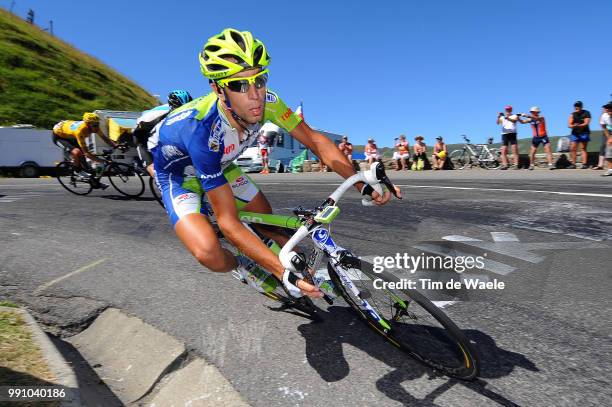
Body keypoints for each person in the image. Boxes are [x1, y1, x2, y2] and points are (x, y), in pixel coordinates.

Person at [153, 28, 399, 299]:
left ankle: (296, 269)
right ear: (217, 88)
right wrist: (280, 272)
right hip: (181, 177)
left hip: (222, 166)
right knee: (208, 253)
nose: (255, 94)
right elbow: (229, 223)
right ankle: (247, 266)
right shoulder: (201, 128)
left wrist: (362, 184)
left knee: (268, 222)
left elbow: (315, 142)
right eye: (239, 85)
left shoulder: (269, 102)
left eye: (260, 80)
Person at [133, 90, 193, 177]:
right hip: (140, 137)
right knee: (156, 173)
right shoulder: (155, 115)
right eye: (181, 109)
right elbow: (138, 133)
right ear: (172, 106)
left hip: (162, 136)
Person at [52, 112, 121, 184]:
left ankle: (93, 180)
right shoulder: (80, 131)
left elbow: (105, 138)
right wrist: (101, 161)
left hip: (70, 134)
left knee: (85, 162)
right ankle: (77, 171)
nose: (97, 127)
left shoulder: (94, 126)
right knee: (77, 152)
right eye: (95, 125)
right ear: (88, 125)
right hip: (59, 136)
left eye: (98, 124)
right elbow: (87, 153)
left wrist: (116, 145)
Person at [496, 105, 528, 170]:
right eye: (506, 110)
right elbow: (497, 123)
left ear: (511, 110)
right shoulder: (502, 117)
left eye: (509, 110)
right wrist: (498, 117)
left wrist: (507, 118)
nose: (507, 111)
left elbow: (514, 121)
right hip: (504, 134)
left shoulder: (514, 115)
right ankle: (505, 165)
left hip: (512, 134)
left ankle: (516, 165)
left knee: (514, 150)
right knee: (504, 150)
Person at [567, 101, 591, 169]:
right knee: (572, 148)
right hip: (575, 133)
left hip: (584, 132)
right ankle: (573, 164)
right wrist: (573, 126)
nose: (576, 107)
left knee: (583, 148)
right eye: (575, 106)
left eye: (578, 106)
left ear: (581, 106)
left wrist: (578, 125)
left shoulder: (586, 113)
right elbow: (569, 124)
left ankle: (584, 164)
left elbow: (586, 123)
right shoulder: (572, 114)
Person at [600, 102, 612, 176]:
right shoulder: (604, 116)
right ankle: (611, 170)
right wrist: (609, 138)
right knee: (608, 150)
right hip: (610, 131)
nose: (608, 110)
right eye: (607, 108)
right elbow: (604, 127)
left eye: (610, 108)